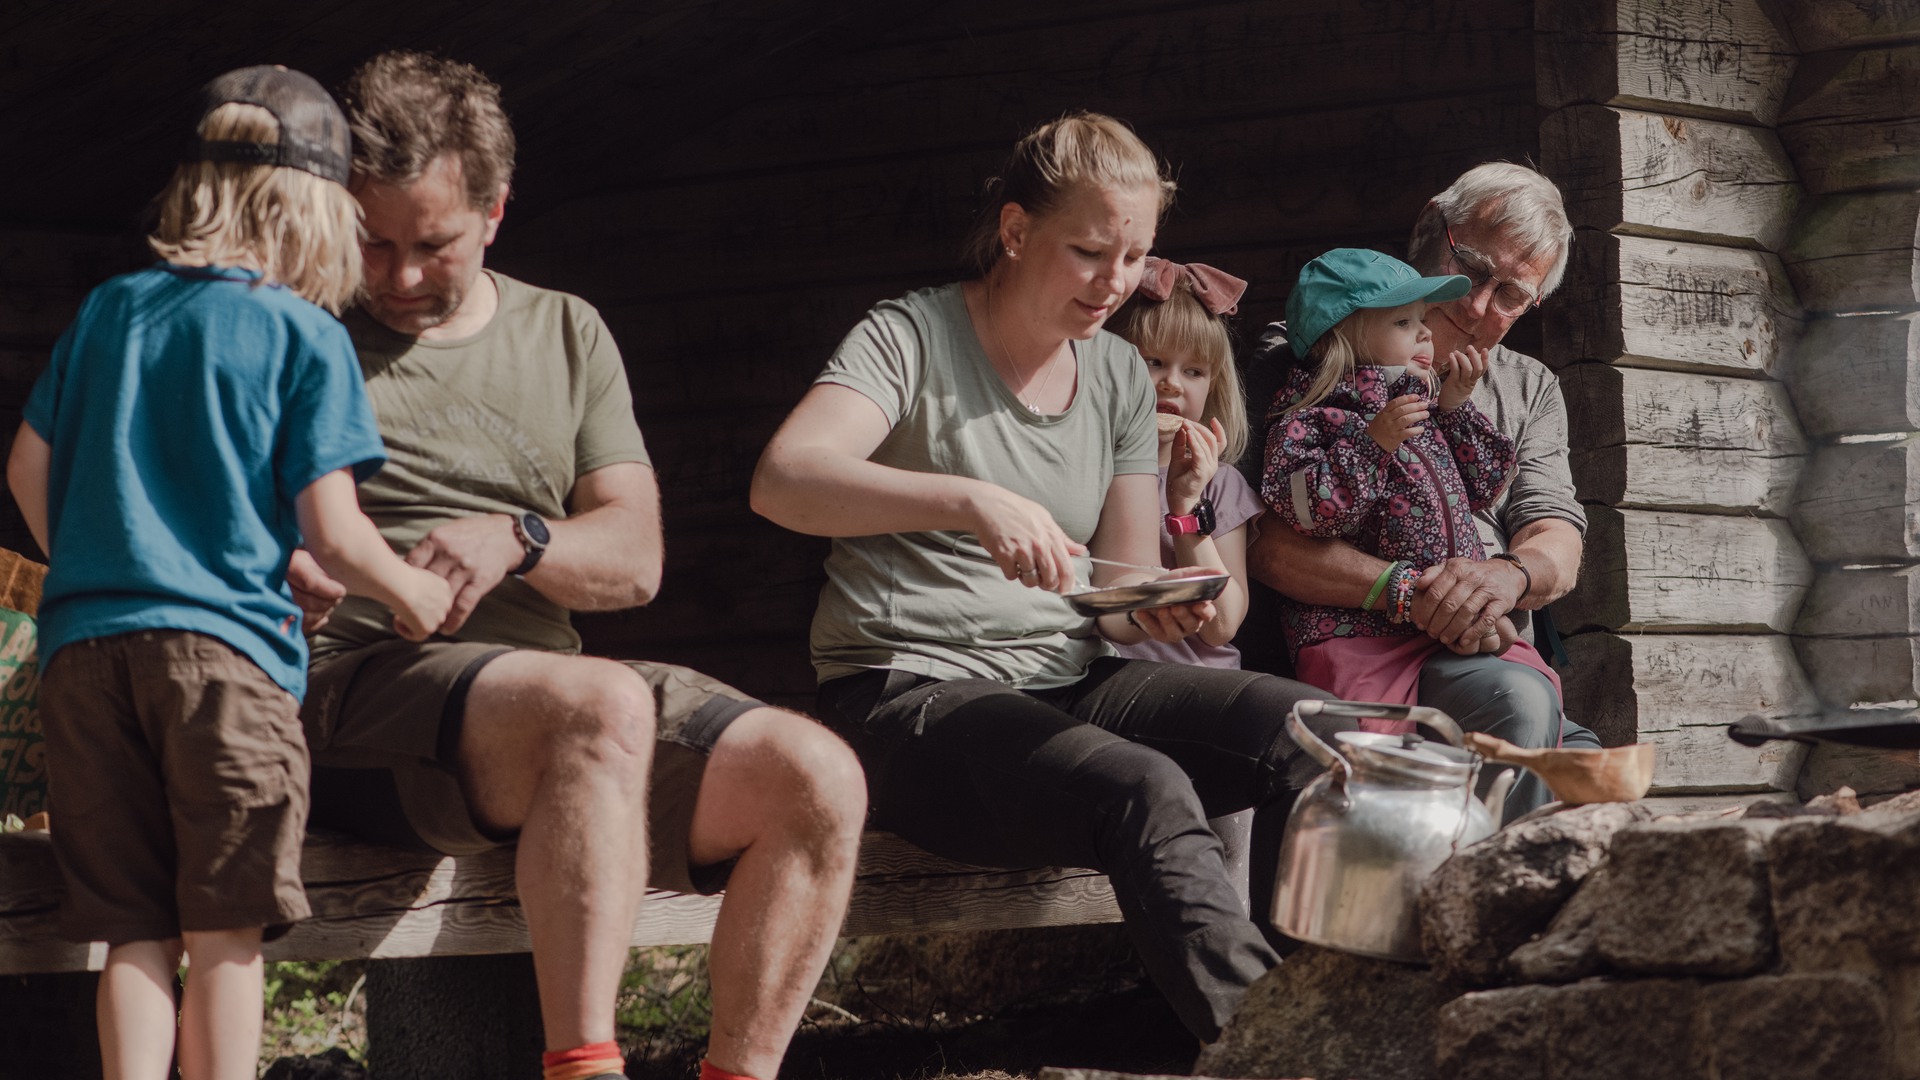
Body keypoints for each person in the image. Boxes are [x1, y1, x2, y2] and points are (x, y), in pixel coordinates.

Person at [286, 52, 865, 1080]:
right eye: (373, 242)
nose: (400, 275)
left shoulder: (567, 331)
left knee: (816, 778)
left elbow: (633, 560)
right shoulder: (295, 330)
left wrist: (523, 536)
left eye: (434, 245)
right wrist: (279, 564)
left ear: (496, 212)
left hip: (551, 713)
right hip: (353, 693)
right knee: (594, 707)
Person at [750, 112, 1350, 1044]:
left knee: (1322, 738)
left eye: (1134, 257)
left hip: (1073, 681)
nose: (1114, 284)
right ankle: (1284, 1055)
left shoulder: (1115, 371)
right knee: (1142, 786)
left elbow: (1116, 593)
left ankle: (1370, 1010)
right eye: (1089, 252)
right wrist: (969, 501)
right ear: (1017, 230)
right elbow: (784, 480)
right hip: (906, 696)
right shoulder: (909, 334)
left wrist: (1155, 601)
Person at [5, 66, 453, 1080]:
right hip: (222, 671)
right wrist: (410, 591)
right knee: (225, 933)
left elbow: (29, 467)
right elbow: (336, 533)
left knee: (129, 931)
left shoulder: (112, 309)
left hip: (82, 658)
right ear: (321, 211)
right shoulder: (303, 332)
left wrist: (98, 565)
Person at [1248, 163, 1599, 816]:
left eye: (1510, 296)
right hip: (1369, 639)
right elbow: (1271, 539)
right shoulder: (1322, 364)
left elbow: (1552, 530)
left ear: (1533, 306)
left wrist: (1507, 580)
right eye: (1469, 267)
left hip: (1484, 641)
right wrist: (1409, 591)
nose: (1476, 304)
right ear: (1431, 230)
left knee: (1592, 785)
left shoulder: (1527, 387)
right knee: (1505, 714)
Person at [1263, 247, 1566, 735]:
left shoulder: (1423, 406)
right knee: (1374, 758)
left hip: (1445, 626)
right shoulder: (1312, 414)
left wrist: (1454, 410)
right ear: (1342, 336)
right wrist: (1372, 444)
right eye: (1404, 323)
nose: (1426, 333)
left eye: (1421, 319)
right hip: (1357, 635)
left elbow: (1486, 486)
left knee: (1532, 705)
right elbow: (1308, 513)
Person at [1108, 257, 1264, 669]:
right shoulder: (1092, 469)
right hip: (1110, 677)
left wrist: (1185, 505)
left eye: (1193, 370)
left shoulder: (1221, 484)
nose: (1172, 382)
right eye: (1153, 361)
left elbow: (1223, 625)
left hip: (1201, 679)